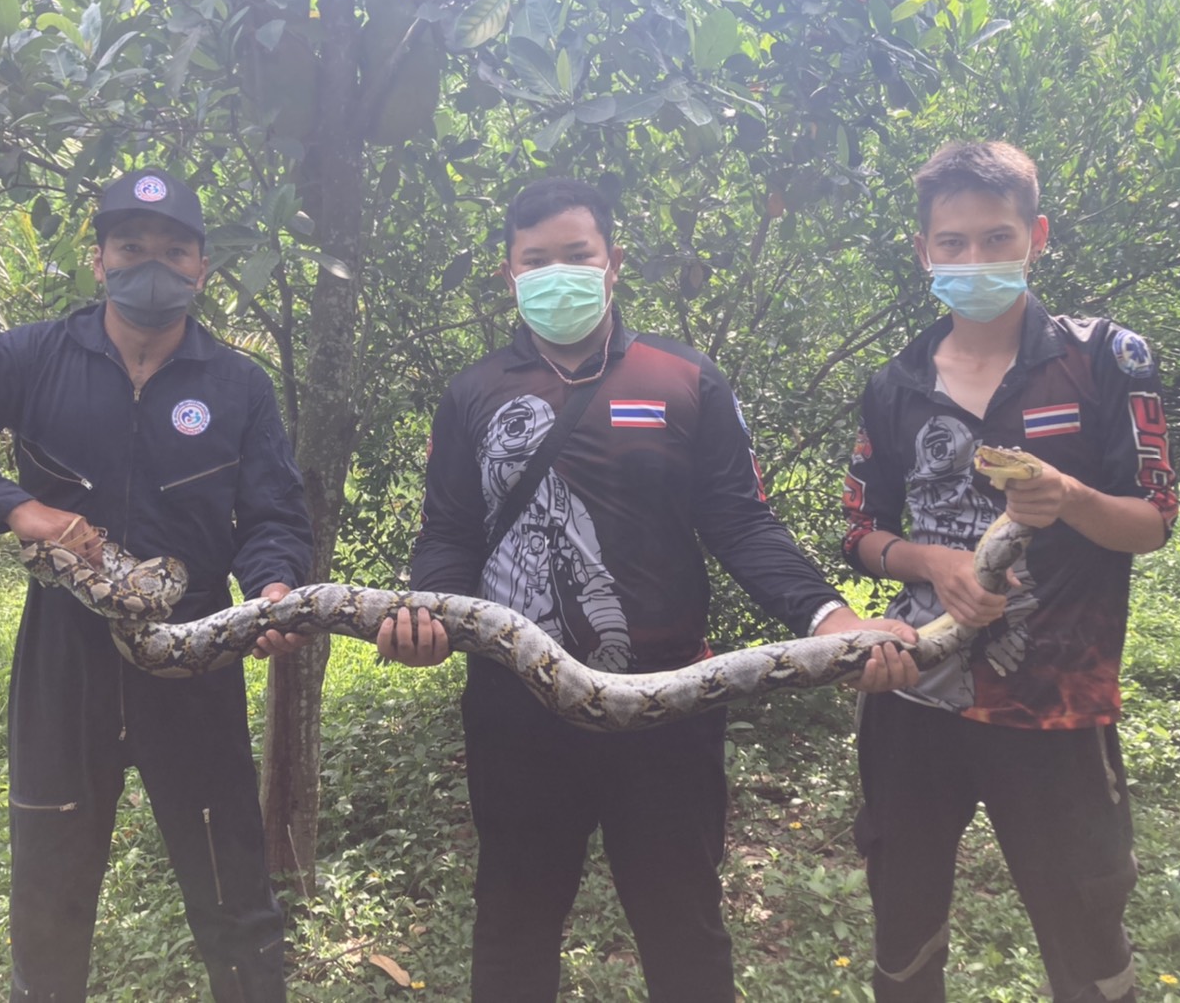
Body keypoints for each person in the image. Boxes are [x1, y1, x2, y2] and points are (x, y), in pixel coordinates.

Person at [377, 177, 919, 1003]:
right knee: (514, 923)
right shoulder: (473, 393)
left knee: (683, 923)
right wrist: (432, 612)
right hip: (516, 710)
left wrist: (830, 616)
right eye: (536, 259)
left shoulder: (684, 378)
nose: (557, 274)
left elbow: (740, 521)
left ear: (614, 261)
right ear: (509, 273)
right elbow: (450, 531)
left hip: (670, 704)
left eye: (576, 254)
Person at [0, 167, 313, 1003]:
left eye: (173, 250)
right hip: (63, 655)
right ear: (100, 259)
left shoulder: (238, 385)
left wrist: (276, 586)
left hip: (195, 650)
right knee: (50, 889)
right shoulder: (34, 355)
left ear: (201, 268)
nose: (152, 265)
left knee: (233, 888)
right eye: (131, 247)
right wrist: (15, 507)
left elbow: (273, 514)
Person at [840, 141, 1179, 1003]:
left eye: (997, 238)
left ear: (1038, 236)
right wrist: (929, 560)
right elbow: (862, 531)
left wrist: (1070, 497)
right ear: (923, 250)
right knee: (904, 933)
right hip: (917, 697)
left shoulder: (1106, 359)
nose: (974, 259)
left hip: (1055, 704)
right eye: (952, 242)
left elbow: (1153, 522)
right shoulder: (895, 383)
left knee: (1087, 938)